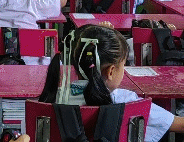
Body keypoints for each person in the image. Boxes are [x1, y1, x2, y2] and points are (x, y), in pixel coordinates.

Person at [39, 25, 184, 142]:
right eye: (124, 65)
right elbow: (180, 125)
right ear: (111, 71)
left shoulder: (53, 97)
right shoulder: (128, 102)